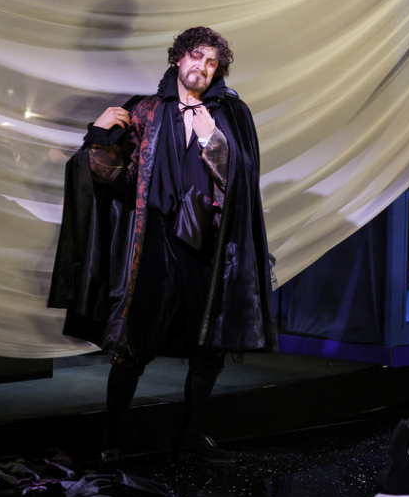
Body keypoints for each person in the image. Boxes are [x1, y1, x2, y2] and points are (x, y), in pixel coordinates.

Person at [48, 26, 277, 466]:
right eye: (196, 56)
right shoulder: (146, 111)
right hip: (156, 239)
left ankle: (190, 438)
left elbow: (244, 179)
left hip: (210, 244)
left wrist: (212, 139)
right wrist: (99, 135)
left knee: (209, 343)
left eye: (212, 63)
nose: (203, 68)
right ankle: (111, 438)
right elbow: (114, 178)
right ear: (178, 58)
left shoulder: (231, 112)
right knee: (134, 343)